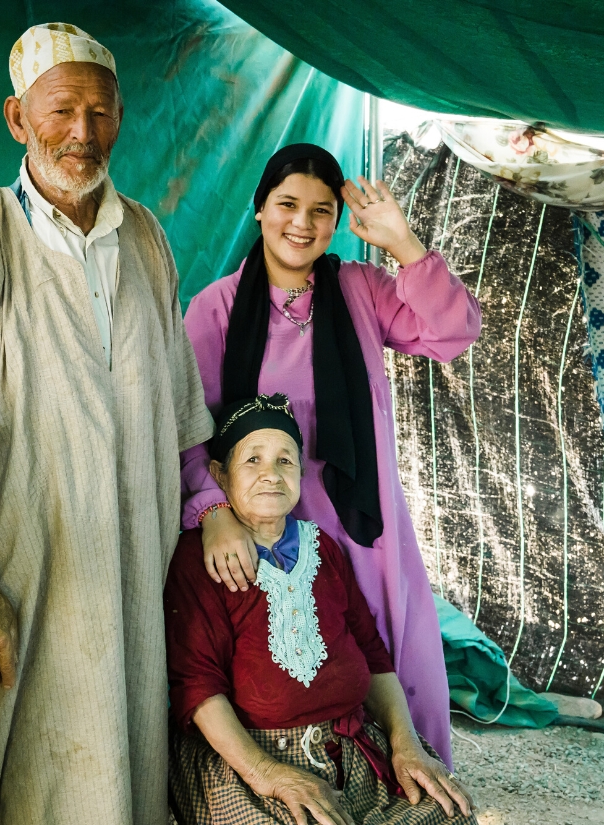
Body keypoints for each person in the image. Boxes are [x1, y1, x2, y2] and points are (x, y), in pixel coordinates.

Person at [0, 22, 212, 825]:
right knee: (22, 766)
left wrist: (206, 523)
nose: (83, 132)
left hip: (138, 556)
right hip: (20, 559)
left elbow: (178, 409)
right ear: (16, 118)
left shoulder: (145, 235)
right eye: (61, 109)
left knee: (132, 752)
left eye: (101, 111)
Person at [182, 144, 482, 767]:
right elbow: (186, 428)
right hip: (262, 525)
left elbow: (455, 333)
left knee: (389, 653)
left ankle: (406, 781)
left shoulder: (360, 290)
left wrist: (404, 245)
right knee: (280, 675)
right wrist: (213, 511)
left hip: (360, 519)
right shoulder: (215, 310)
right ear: (259, 208)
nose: (303, 223)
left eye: (322, 210)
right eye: (287, 204)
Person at [166, 394, 476, 825]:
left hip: (355, 752)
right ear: (220, 474)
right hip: (251, 765)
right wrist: (268, 774)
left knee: (448, 813)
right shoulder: (200, 559)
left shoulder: (322, 548)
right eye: (252, 460)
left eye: (285, 461)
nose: (271, 475)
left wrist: (406, 743)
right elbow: (196, 687)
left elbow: (371, 653)